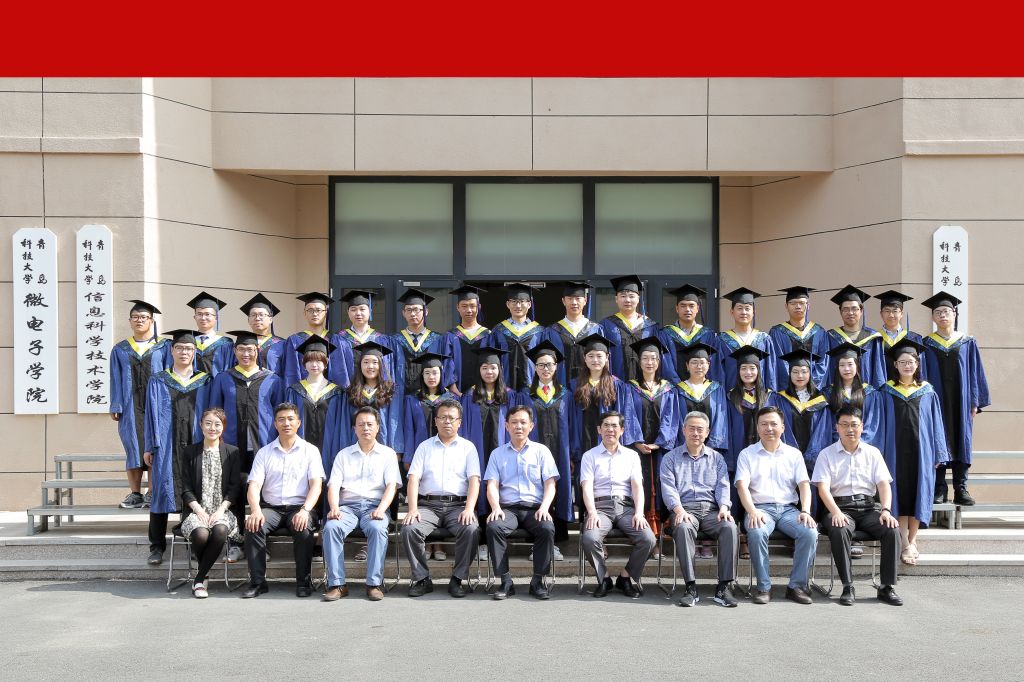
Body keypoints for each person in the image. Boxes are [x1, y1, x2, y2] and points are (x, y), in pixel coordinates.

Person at [812, 405, 904, 606]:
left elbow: (884, 485)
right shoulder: (826, 454)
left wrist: (886, 510)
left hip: (869, 508)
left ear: (862, 426)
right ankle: (847, 585)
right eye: (844, 425)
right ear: (837, 427)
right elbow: (823, 489)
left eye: (854, 425)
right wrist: (836, 512)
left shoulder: (873, 453)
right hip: (839, 508)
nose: (850, 429)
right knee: (839, 528)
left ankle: (887, 586)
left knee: (892, 529)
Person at [210, 330, 284, 562]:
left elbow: (280, 414)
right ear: (235, 351)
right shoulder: (224, 378)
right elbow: (215, 413)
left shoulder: (272, 379)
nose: (246, 353)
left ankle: (261, 543)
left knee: (263, 495)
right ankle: (236, 543)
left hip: (264, 446)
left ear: (257, 351)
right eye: (241, 349)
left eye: (250, 349)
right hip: (232, 447)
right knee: (234, 494)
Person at [734, 406, 818, 605]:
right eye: (764, 424)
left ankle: (796, 586)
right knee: (756, 532)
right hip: (760, 509)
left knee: (810, 532)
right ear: (757, 427)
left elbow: (804, 486)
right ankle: (763, 587)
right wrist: (752, 511)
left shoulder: (793, 454)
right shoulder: (747, 454)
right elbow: (742, 486)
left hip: (789, 510)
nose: (769, 428)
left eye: (773, 424)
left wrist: (805, 511)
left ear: (782, 427)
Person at [142, 329, 213, 566]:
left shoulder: (205, 381)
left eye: (189, 349)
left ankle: (194, 544)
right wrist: (149, 446)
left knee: (194, 491)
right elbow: (150, 416)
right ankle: (156, 546)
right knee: (161, 493)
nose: (184, 352)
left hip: (196, 443)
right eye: (180, 348)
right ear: (172, 351)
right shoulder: (158, 380)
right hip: (166, 445)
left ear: (195, 352)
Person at [241, 402, 325, 599]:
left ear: (298, 423)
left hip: (300, 507)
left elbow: (316, 485)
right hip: (271, 508)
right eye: (281, 420)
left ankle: (304, 582)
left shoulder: (310, 451)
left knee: (303, 528)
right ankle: (258, 582)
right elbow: (254, 485)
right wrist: (255, 510)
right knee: (253, 525)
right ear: (275, 424)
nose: (286, 423)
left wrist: (305, 510)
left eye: (290, 419)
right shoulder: (264, 452)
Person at [879, 339, 950, 566]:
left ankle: (913, 539)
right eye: (902, 362)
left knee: (919, 492)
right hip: (895, 451)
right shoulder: (886, 391)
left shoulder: (927, 391)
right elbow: (881, 424)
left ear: (917, 364)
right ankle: (904, 542)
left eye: (911, 362)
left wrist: (939, 452)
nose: (907, 365)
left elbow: (937, 424)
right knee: (899, 492)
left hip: (922, 451)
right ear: (895, 365)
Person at [401, 399, 481, 598]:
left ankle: (457, 579)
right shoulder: (424, 447)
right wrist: (412, 509)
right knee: (409, 528)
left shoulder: (468, 448)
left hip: (458, 506)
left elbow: (474, 480)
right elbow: (413, 479)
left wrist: (469, 509)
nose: (447, 421)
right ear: (435, 421)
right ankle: (422, 579)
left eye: (452, 418)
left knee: (471, 529)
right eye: (443, 417)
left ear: (459, 422)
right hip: (428, 505)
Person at [660, 411, 738, 607]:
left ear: (707, 432)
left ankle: (724, 587)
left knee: (729, 527)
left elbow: (723, 486)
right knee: (684, 528)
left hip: (712, 510)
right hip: (684, 509)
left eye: (700, 429)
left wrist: (724, 508)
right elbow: (668, 488)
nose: (696, 433)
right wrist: (679, 510)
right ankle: (690, 587)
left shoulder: (717, 458)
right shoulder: (670, 458)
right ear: (684, 430)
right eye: (692, 428)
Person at [322, 406, 400, 602]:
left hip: (375, 507)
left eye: (370, 424)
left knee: (377, 528)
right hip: (347, 507)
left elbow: (391, 486)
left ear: (378, 427)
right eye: (361, 424)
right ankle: (337, 584)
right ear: (354, 429)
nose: (365, 428)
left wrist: (381, 509)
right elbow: (334, 486)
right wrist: (334, 508)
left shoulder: (388, 454)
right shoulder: (343, 455)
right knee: (331, 527)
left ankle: (374, 584)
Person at [921, 292, 991, 506]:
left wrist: (975, 401)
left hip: (961, 402)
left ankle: (961, 488)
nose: (942, 315)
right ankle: (939, 488)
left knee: (962, 439)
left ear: (954, 314)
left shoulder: (967, 342)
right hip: (937, 401)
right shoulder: (926, 343)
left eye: (946, 311)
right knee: (938, 438)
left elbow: (975, 372)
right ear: (933, 317)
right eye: (938, 312)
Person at [483, 405, 559, 600]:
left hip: (535, 508)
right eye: (514, 422)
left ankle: (537, 581)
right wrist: (495, 508)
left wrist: (545, 507)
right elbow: (492, 484)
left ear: (531, 426)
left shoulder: (541, 451)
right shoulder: (497, 454)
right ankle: (505, 581)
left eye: (523, 422)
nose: (519, 426)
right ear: (506, 426)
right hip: (508, 509)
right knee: (494, 526)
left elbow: (550, 484)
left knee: (547, 528)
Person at [579, 411, 656, 598]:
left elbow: (637, 487)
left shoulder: (632, 456)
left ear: (622, 430)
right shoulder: (589, 456)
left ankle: (625, 577)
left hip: (626, 508)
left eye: (614, 426)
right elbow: (586, 486)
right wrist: (592, 512)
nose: (610, 429)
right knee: (589, 538)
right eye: (606, 425)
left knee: (648, 539)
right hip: (600, 508)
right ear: (599, 429)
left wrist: (639, 513)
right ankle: (604, 578)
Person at [516, 341, 573, 561]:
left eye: (549, 364)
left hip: (560, 452)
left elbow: (573, 426)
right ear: (535, 368)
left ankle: (555, 544)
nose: (545, 369)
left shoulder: (565, 394)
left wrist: (573, 454)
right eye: (541, 365)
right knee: (536, 492)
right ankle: (535, 544)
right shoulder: (525, 395)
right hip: (533, 453)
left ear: (556, 367)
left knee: (558, 493)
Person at [111, 299, 169, 509]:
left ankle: (152, 493)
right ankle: (135, 493)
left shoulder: (164, 347)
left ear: (152, 321)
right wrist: (116, 404)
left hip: (157, 406)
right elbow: (115, 378)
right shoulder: (120, 349)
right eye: (135, 317)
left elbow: (169, 375)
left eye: (144, 317)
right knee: (133, 447)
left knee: (155, 446)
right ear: (130, 321)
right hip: (129, 406)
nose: (139, 320)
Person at [178, 407, 242, 598]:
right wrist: (199, 510)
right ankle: (203, 577)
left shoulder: (232, 452)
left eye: (217, 424)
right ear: (201, 425)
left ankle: (199, 580)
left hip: (223, 510)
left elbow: (234, 488)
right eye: (208, 423)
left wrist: (221, 510)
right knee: (201, 534)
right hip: (196, 510)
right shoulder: (190, 452)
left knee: (220, 530)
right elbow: (185, 487)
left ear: (223, 427)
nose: (212, 428)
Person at [323, 341, 404, 479]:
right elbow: (345, 424)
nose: (370, 366)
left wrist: (396, 449)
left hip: (383, 446)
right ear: (359, 365)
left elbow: (395, 422)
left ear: (381, 365)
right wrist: (344, 447)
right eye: (365, 362)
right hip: (355, 447)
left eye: (374, 362)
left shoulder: (391, 391)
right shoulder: (351, 392)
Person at [626, 337, 679, 537]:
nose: (650, 362)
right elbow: (628, 415)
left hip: (660, 449)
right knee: (639, 482)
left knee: (661, 482)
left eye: (654, 358)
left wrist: (659, 443)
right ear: (639, 362)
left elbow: (671, 418)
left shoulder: (668, 389)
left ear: (659, 362)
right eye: (645, 358)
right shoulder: (629, 387)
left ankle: (661, 533)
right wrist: (637, 442)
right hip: (636, 449)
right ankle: (641, 533)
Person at [568, 333, 641, 475]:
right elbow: (570, 420)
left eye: (599, 356)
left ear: (607, 357)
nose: (595, 360)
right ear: (584, 358)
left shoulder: (617, 385)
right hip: (582, 441)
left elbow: (626, 416)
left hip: (608, 442)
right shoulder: (574, 385)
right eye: (591, 356)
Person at [776, 348, 834, 476]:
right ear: (789, 374)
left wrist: (811, 456)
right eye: (795, 372)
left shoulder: (821, 400)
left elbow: (823, 432)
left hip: (814, 462)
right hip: (786, 462)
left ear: (810, 373)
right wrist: (792, 454)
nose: (800, 376)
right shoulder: (780, 399)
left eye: (804, 371)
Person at [284, 334, 343, 457]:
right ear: (303, 363)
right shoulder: (294, 391)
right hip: (301, 452)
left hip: (329, 450)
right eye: (310, 360)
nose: (314, 365)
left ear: (326, 363)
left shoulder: (337, 393)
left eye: (319, 361)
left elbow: (340, 426)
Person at [658, 284, 723, 386]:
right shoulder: (665, 334)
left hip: (701, 390)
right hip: (674, 390)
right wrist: (679, 387)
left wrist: (704, 387)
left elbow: (714, 365)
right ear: (677, 308)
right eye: (683, 306)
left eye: (691, 306)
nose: (687, 309)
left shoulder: (708, 335)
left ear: (698, 308)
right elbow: (665, 365)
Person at [391, 287, 453, 395]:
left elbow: (447, 368)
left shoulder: (438, 339)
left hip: (430, 396)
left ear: (426, 311)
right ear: (403, 313)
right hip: (402, 395)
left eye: (416, 309)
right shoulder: (394, 340)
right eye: (409, 310)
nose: (412, 314)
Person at [329, 289, 394, 391]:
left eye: (362, 309)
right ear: (348, 312)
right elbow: (338, 372)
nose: (358, 313)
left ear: (370, 311)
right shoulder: (339, 339)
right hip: (350, 394)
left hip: (376, 394)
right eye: (353, 309)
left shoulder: (381, 339)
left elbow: (386, 371)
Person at [674, 342, 729, 459]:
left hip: (710, 451)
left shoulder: (716, 389)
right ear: (687, 366)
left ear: (708, 365)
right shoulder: (678, 390)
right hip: (684, 449)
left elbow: (720, 419)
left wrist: (712, 446)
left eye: (702, 362)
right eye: (694, 362)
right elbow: (677, 420)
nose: (698, 366)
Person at [488, 282, 546, 392]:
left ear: (529, 304)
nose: (518, 306)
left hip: (532, 387)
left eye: (522, 301)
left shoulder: (540, 331)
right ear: (508, 304)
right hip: (504, 388)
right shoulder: (498, 330)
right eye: (514, 301)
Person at [599, 275, 658, 383]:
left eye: (631, 296)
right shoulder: (606, 325)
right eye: (623, 296)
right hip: (615, 384)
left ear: (638, 299)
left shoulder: (650, 326)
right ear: (616, 299)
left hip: (644, 385)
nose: (627, 300)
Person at [825, 342, 884, 449]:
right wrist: (842, 441)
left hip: (863, 448)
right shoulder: (828, 393)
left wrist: (856, 443)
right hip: (836, 447)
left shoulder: (870, 393)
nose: (846, 369)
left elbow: (872, 425)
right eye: (842, 365)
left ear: (857, 366)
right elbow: (827, 424)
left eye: (850, 364)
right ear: (837, 368)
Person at [544, 281, 604, 387]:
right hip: (560, 387)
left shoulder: (595, 329)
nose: (574, 302)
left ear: (585, 301)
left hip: (589, 387)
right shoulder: (552, 330)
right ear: (563, 301)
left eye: (578, 298)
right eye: (570, 299)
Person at [769, 285, 829, 389]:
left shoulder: (819, 332)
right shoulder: (777, 333)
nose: (798, 306)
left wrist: (810, 385)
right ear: (786, 306)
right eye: (793, 303)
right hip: (787, 391)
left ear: (808, 306)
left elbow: (823, 363)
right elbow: (778, 364)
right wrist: (794, 386)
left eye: (802, 303)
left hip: (814, 391)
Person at [718, 287, 778, 391]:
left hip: (759, 397)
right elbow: (718, 373)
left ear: (754, 312)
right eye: (739, 308)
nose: (744, 312)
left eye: (747, 308)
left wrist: (770, 395)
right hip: (731, 397)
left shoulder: (764, 339)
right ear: (732, 311)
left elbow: (771, 373)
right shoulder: (722, 340)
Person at [825, 285, 886, 387]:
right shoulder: (831, 337)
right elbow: (828, 369)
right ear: (840, 312)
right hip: (839, 392)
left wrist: (876, 394)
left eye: (854, 309)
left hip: (866, 393)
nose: (850, 313)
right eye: (846, 309)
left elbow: (878, 371)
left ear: (861, 311)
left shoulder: (873, 338)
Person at [279, 291, 333, 390]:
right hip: (302, 394)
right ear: (304, 313)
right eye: (310, 310)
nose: (315, 314)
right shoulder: (294, 340)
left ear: (326, 312)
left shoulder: (335, 339)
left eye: (318, 310)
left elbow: (339, 373)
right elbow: (291, 372)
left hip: (330, 394)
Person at [444, 284, 490, 396]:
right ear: (458, 307)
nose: (469, 310)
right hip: (457, 394)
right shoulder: (451, 336)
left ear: (479, 307)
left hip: (484, 394)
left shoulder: (488, 335)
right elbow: (447, 363)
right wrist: (454, 390)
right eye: (464, 306)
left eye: (472, 306)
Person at [873, 290, 925, 376]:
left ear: (901, 314)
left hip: (907, 384)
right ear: (881, 314)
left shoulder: (913, 338)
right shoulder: (874, 338)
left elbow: (920, 367)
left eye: (895, 311)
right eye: (887, 311)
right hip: (882, 383)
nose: (891, 315)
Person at [186, 291, 234, 377]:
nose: (203, 318)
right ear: (194, 317)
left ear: (216, 317)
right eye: (199, 314)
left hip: (217, 384)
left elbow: (230, 369)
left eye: (207, 314)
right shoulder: (187, 341)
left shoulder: (226, 343)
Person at [239, 293, 286, 375]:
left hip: (274, 383)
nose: (257, 318)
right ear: (248, 320)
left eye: (261, 315)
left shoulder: (282, 344)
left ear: (270, 319)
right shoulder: (241, 344)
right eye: (253, 315)